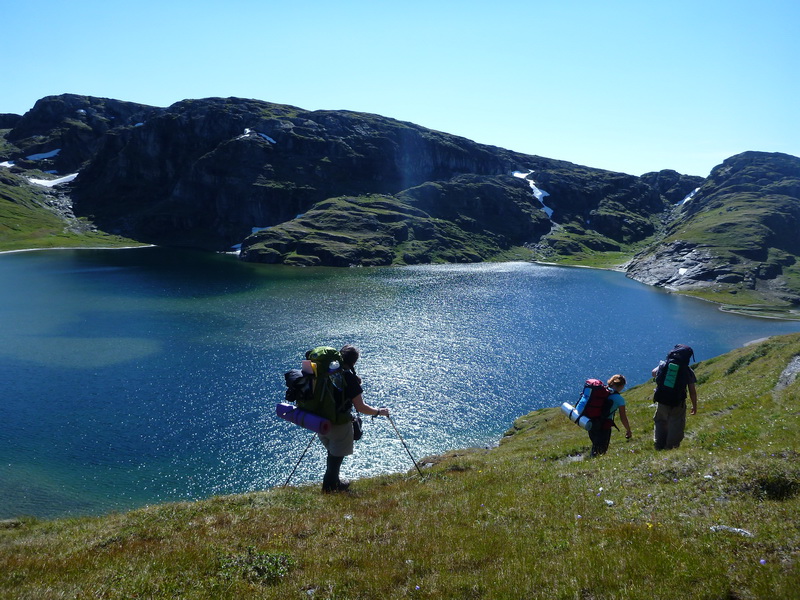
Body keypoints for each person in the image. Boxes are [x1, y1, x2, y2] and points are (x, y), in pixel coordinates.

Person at [319, 344, 389, 493]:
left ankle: (334, 483)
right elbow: (360, 407)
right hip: (339, 424)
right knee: (336, 457)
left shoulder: (326, 372)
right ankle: (330, 489)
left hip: (321, 421)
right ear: (354, 361)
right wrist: (380, 412)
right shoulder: (348, 377)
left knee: (332, 454)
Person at [651, 344, 698, 450]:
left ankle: (659, 445)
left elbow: (653, 373)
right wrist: (694, 406)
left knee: (660, 421)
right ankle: (671, 447)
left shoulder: (664, 365)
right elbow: (692, 391)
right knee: (676, 423)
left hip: (662, 400)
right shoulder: (687, 371)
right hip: (678, 401)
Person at [587, 374, 632, 456]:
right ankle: (593, 466)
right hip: (604, 426)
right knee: (600, 452)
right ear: (621, 385)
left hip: (591, 422)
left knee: (595, 447)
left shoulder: (603, 391)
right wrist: (628, 430)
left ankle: (589, 461)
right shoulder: (619, 399)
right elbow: (623, 417)